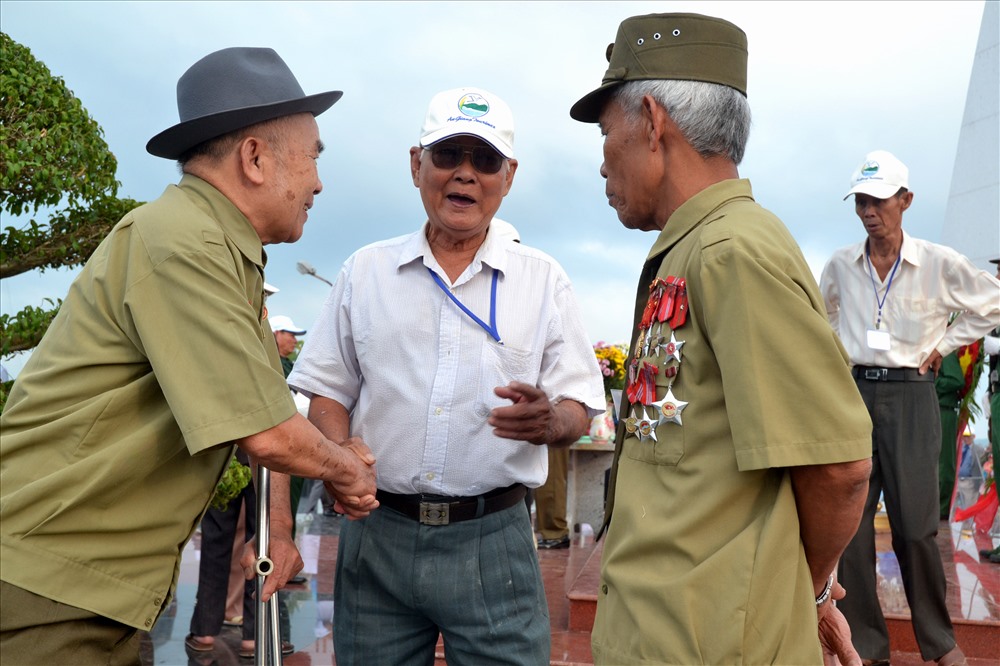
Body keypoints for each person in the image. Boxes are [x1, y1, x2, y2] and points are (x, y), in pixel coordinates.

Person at [0, 47, 378, 664]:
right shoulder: (182, 243)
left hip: (87, 581)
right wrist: (346, 469)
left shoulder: (222, 249)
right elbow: (268, 434)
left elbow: (266, 406)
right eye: (312, 157)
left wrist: (279, 529)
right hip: (48, 579)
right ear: (254, 158)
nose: (317, 181)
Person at [569, 12, 875, 665]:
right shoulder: (697, 248)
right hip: (670, 633)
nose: (601, 160)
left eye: (605, 132)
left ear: (652, 121)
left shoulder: (731, 251)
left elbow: (838, 467)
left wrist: (809, 591)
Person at [288, 86, 606, 665]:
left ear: (508, 176)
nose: (465, 175)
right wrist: (339, 452)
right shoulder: (366, 271)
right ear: (416, 164)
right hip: (377, 534)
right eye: (447, 156)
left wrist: (549, 420)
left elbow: (578, 405)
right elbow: (328, 390)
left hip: (494, 541)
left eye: (484, 161)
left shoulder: (543, 281)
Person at [820, 149, 1000, 665]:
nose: (867, 211)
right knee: (849, 527)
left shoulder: (938, 263)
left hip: (913, 394)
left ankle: (938, 642)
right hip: (855, 396)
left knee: (916, 526)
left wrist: (943, 346)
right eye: (860, 201)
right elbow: (820, 313)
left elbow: (992, 302)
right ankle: (866, 647)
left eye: (878, 200)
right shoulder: (840, 264)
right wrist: (838, 358)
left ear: (906, 200)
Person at [936, 348, 967, 519]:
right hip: (935, 410)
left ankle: (940, 510)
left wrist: (931, 382)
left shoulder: (943, 350)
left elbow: (956, 380)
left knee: (944, 464)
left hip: (944, 410)